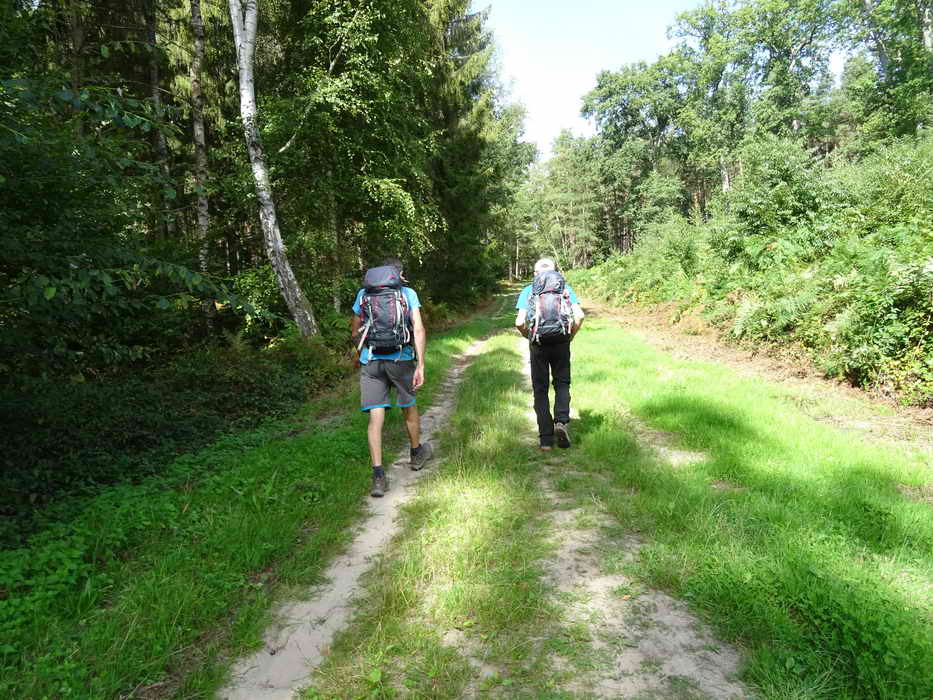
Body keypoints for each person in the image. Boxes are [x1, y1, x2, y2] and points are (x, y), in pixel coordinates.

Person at [351, 258, 433, 497]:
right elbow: (419, 329)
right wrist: (421, 365)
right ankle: (416, 454)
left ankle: (378, 476)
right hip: (401, 359)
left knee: (375, 417)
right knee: (408, 406)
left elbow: (355, 332)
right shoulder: (407, 293)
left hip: (371, 361)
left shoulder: (364, 294)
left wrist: (363, 352)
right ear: (399, 273)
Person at [515, 258, 585, 450]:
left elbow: (519, 322)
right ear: (556, 273)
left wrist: (529, 336)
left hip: (538, 343)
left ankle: (546, 440)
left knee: (540, 389)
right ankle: (561, 422)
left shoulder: (528, 290)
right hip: (561, 341)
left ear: (535, 274)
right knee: (562, 383)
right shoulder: (565, 289)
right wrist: (570, 336)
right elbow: (580, 316)